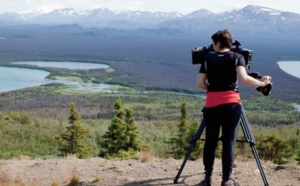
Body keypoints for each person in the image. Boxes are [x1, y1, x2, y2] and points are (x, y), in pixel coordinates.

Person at [196, 29, 271, 186]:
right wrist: (262, 83)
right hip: (231, 105)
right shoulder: (237, 57)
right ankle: (226, 180)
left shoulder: (208, 59)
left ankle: (207, 178)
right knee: (228, 142)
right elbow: (244, 78)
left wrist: (214, 88)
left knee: (210, 142)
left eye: (213, 43)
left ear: (218, 43)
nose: (212, 46)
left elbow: (200, 83)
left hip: (212, 105)